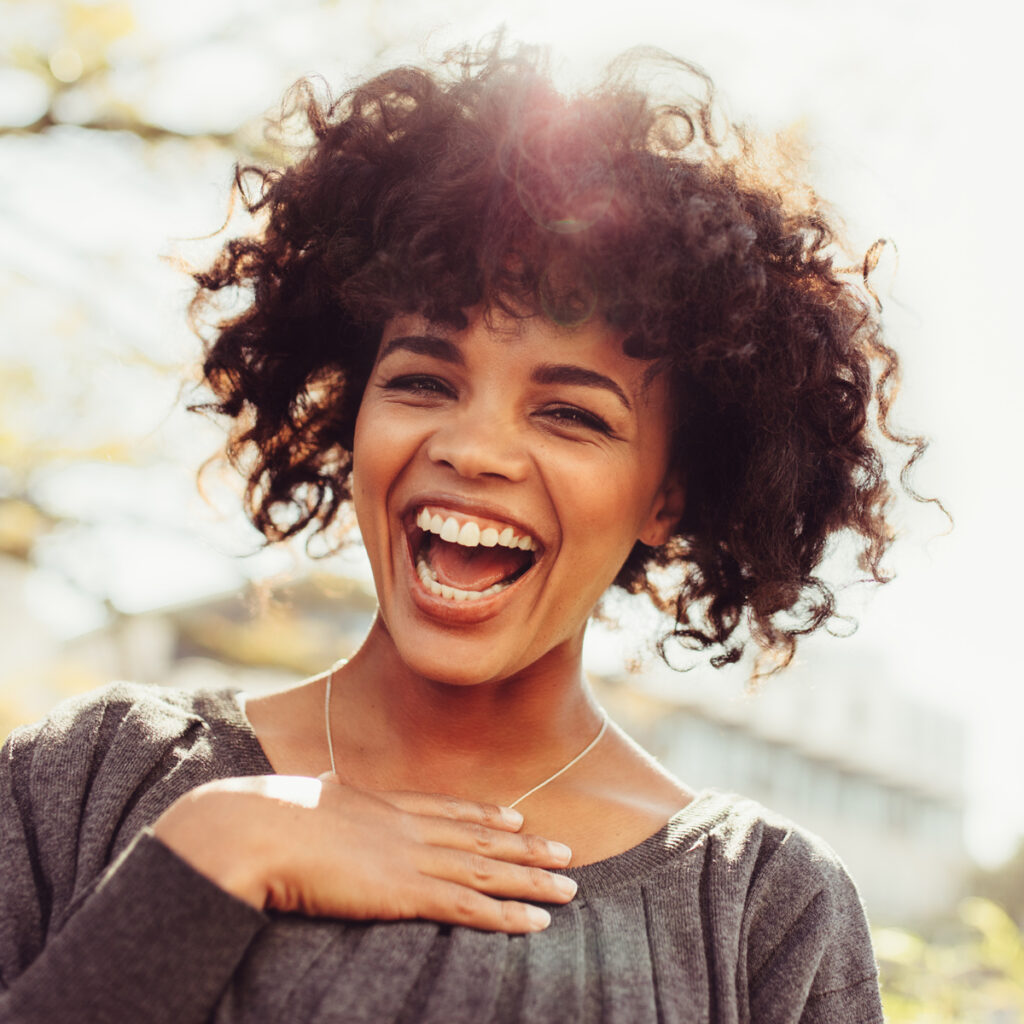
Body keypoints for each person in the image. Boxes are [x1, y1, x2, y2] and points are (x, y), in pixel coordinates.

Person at [0, 38, 921, 1023]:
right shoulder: (97, 775)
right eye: (423, 381)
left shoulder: (756, 912)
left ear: (667, 496)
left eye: (570, 413)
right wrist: (214, 852)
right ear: (354, 412)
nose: (474, 450)